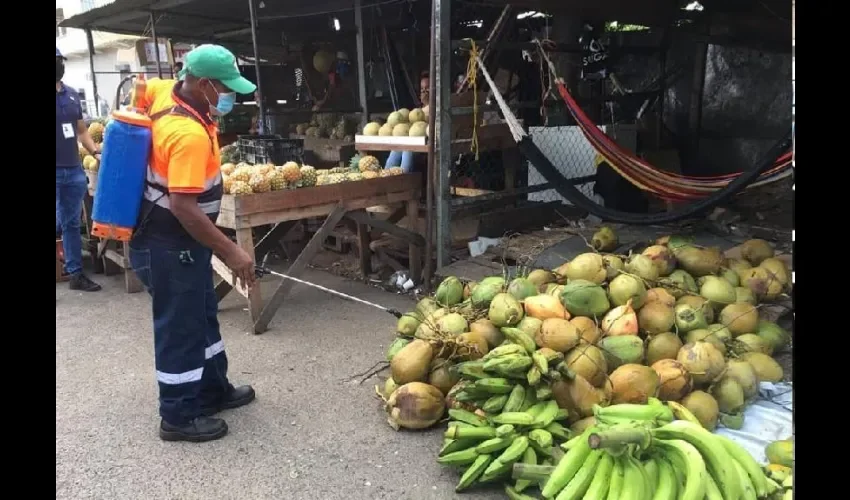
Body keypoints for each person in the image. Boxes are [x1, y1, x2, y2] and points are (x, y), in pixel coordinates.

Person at [129, 44, 258, 443]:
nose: (229, 96)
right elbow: (185, 208)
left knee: (203, 313)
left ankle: (211, 388)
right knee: (181, 327)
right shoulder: (186, 135)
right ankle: (179, 415)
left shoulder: (171, 91)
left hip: (180, 241)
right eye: (224, 87)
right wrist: (233, 252)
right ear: (202, 84)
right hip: (168, 242)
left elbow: (144, 89)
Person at [56, 47, 102, 292]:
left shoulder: (72, 95)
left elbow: (81, 130)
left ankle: (75, 274)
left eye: (59, 61)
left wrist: (95, 152)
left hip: (73, 169)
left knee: (71, 223)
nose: (58, 65)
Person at [385, 72, 430, 173]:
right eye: (422, 88)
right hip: (413, 140)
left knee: (407, 149)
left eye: (427, 88)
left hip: (426, 142)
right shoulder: (418, 110)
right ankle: (386, 175)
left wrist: (428, 102)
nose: (424, 91)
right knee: (397, 148)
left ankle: (404, 177)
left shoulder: (435, 108)